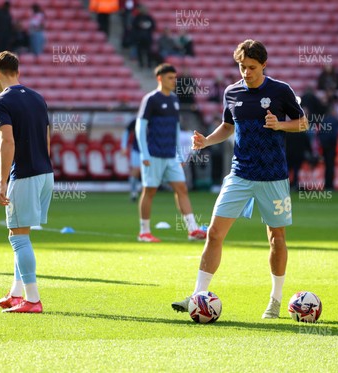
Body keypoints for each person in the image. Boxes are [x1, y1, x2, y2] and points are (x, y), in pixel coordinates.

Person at [171, 40, 308, 319]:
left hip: (273, 176)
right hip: (240, 173)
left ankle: (275, 301)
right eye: (242, 67)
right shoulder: (231, 92)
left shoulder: (281, 91)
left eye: (252, 67)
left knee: (276, 238)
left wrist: (279, 124)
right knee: (214, 232)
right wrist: (206, 141)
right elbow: (227, 126)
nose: (246, 72)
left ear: (264, 65)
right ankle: (198, 295)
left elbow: (303, 123)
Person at [0, 51, 54, 313]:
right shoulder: (38, 98)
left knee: (18, 238)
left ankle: (33, 299)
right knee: (19, 232)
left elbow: (7, 141)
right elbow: (48, 139)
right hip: (45, 173)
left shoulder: (0, 101)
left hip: (24, 175)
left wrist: (2, 182)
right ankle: (16, 293)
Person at [135, 63, 206, 242]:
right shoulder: (151, 99)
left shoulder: (174, 99)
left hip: (171, 155)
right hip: (154, 154)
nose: (174, 81)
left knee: (181, 189)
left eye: (174, 78)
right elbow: (140, 127)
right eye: (170, 78)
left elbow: (175, 128)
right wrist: (144, 153)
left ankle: (192, 229)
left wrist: (180, 154)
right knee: (149, 191)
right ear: (160, 78)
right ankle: (144, 232)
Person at [120, 118, 141, 201]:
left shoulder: (154, 119)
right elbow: (126, 132)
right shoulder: (136, 120)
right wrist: (124, 146)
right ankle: (133, 192)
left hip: (151, 150)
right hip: (137, 150)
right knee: (135, 171)